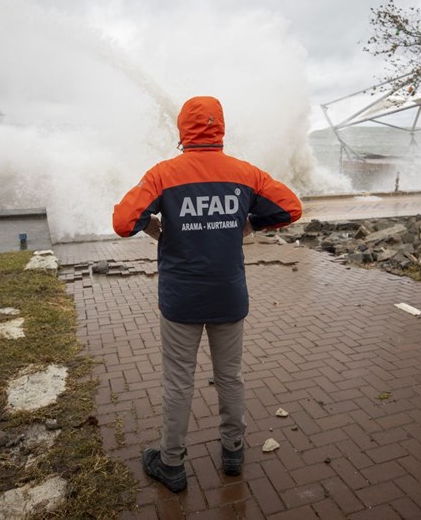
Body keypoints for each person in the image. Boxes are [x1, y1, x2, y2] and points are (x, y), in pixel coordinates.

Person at [112, 95, 302, 493]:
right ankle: (233, 452)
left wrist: (157, 231)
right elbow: (289, 208)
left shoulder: (165, 174)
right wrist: (246, 225)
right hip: (229, 296)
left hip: (181, 298)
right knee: (230, 377)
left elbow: (124, 221)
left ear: (183, 130)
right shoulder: (244, 173)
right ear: (220, 129)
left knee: (179, 381)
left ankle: (171, 463)